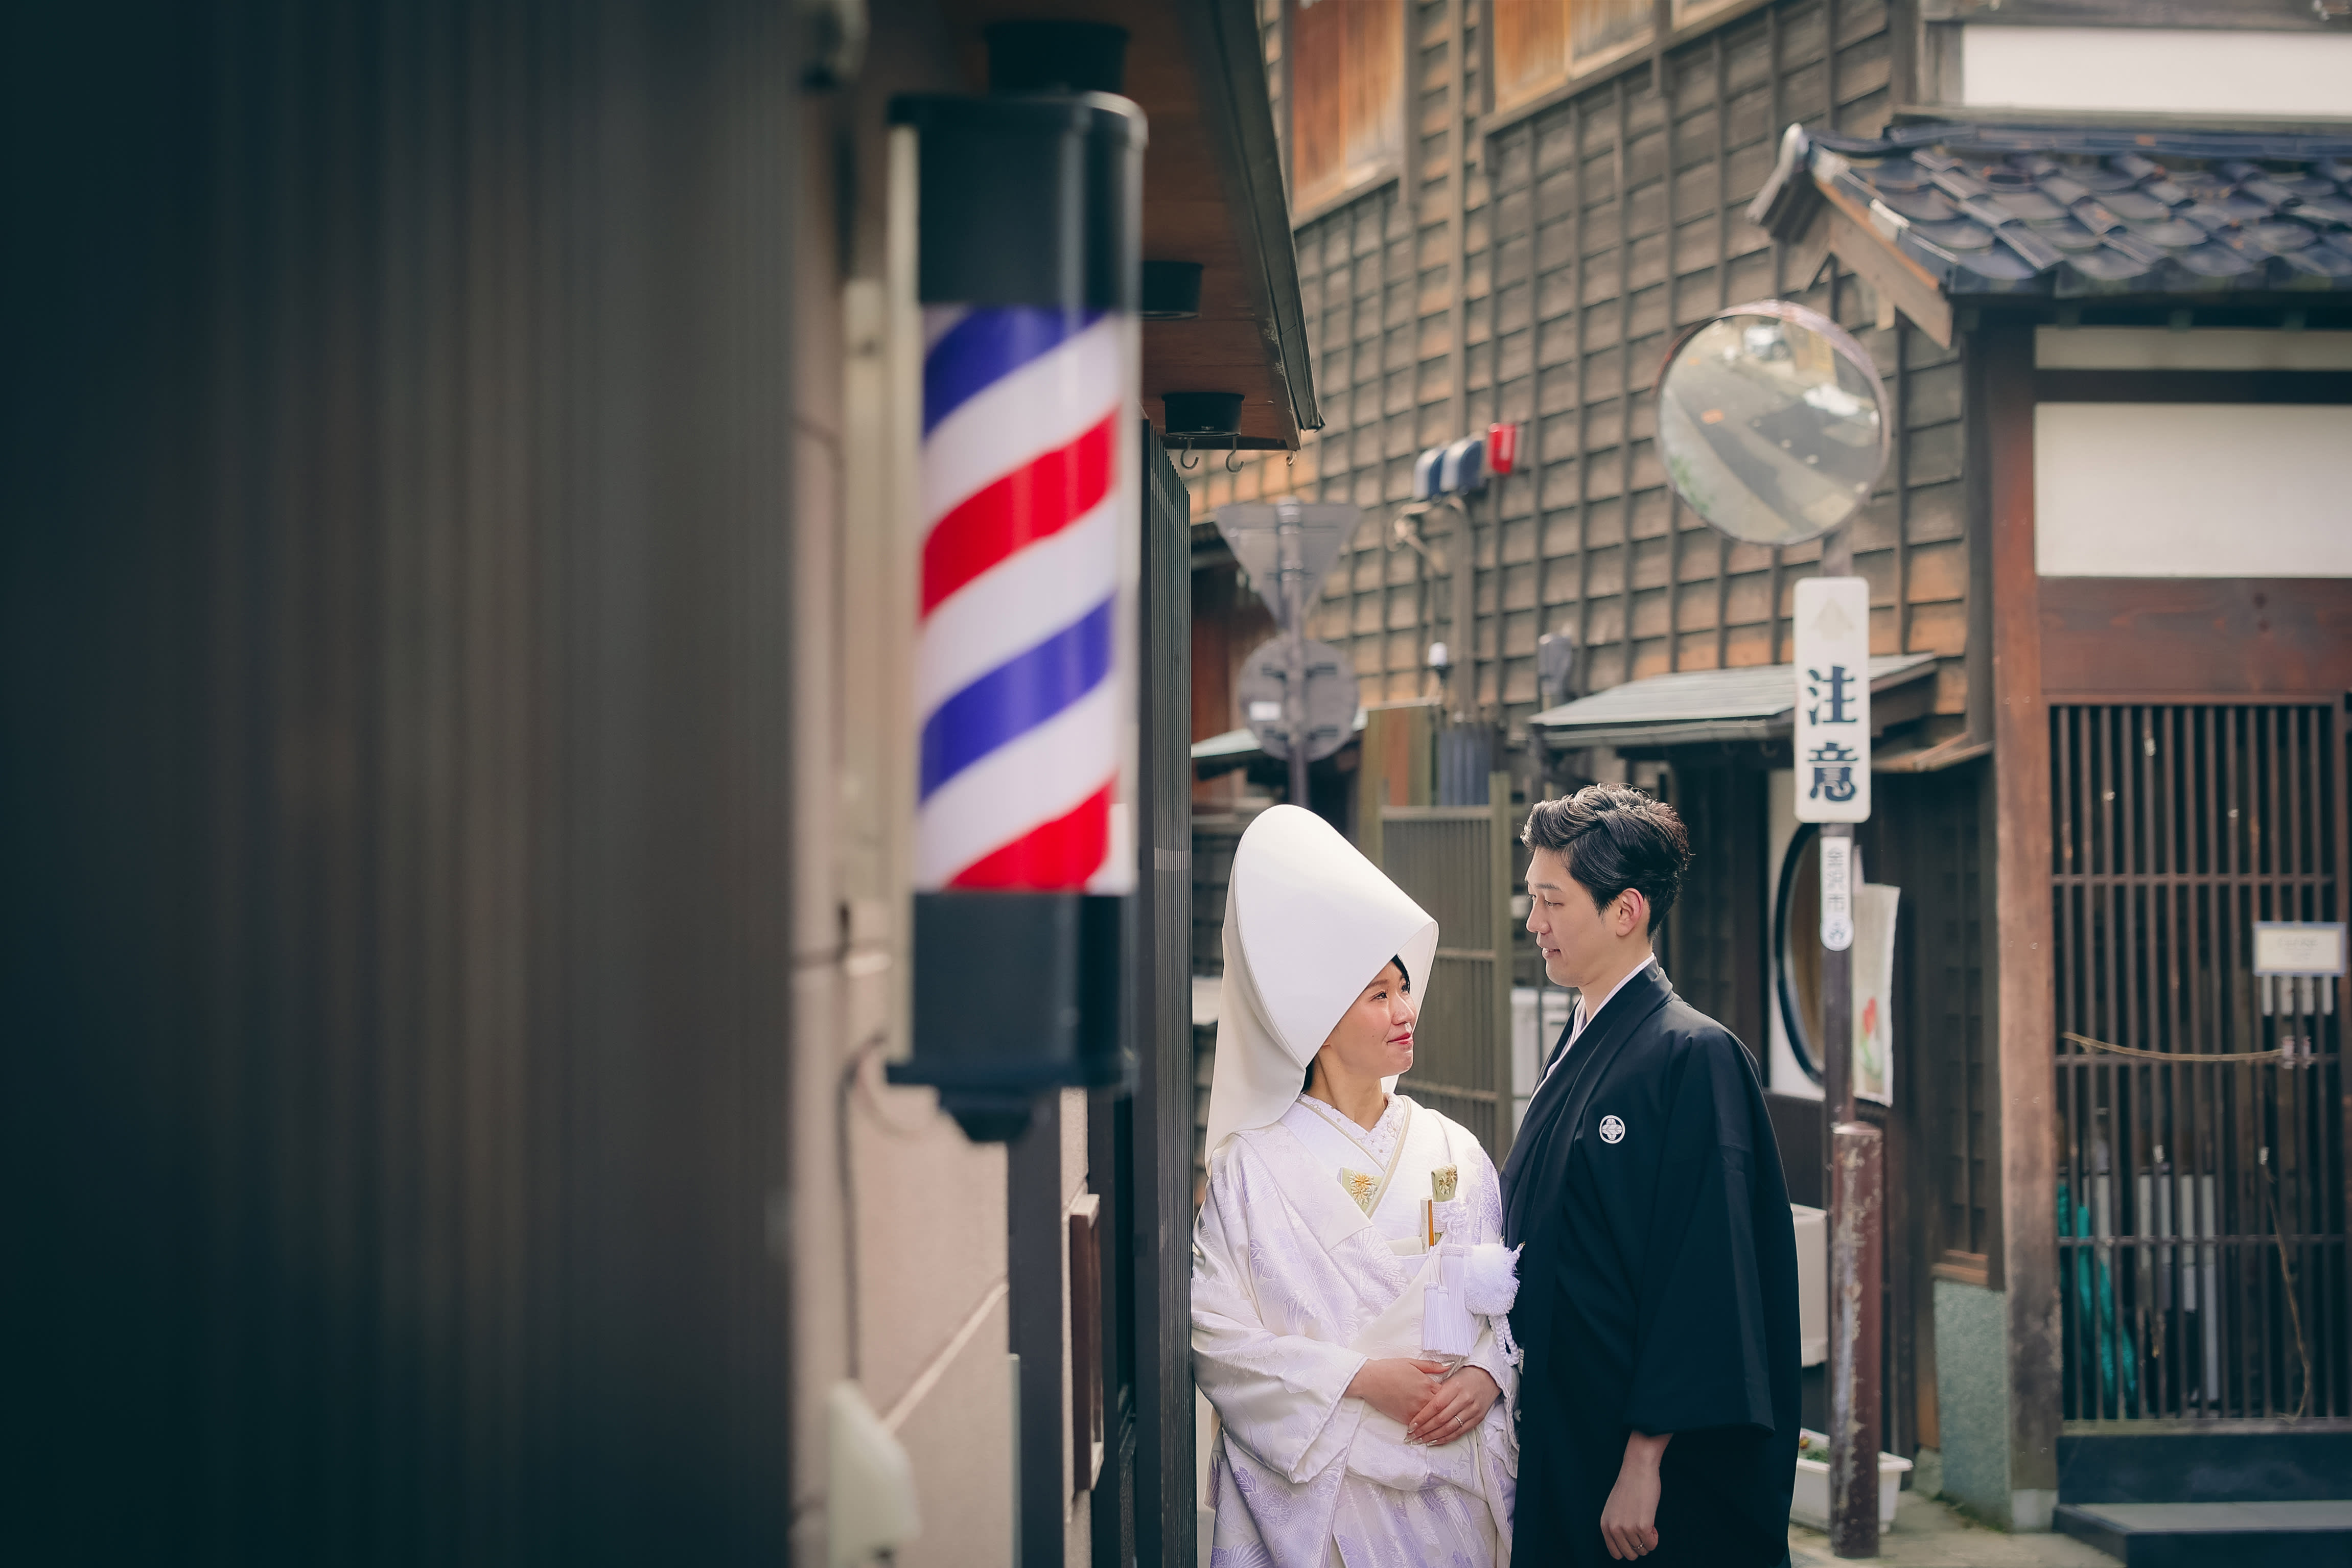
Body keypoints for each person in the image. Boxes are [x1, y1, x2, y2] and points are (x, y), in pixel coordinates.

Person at [1192, 805, 1521, 1567]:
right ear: (1322, 1024)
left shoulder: (1456, 1149)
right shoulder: (1250, 1168)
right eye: (1378, 995)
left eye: (1403, 988)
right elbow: (1215, 1334)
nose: (1406, 1011)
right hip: (1329, 1503)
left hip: (1452, 1499)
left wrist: (1488, 1375)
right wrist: (1362, 1380)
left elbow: (1504, 1315)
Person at [1502, 785, 1799, 1565]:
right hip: (1569, 1426)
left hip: (1641, 1464)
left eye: (1552, 901)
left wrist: (1644, 1458)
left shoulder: (1695, 1055)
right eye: (1534, 899)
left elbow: (1705, 1273)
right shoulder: (1582, 1038)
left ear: (1626, 910)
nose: (1534, 922)